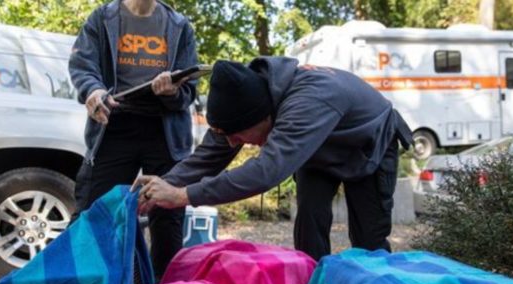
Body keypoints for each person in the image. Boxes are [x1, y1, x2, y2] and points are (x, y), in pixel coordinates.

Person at [133, 57, 413, 261]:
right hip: (318, 150)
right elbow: (207, 157)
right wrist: (161, 187)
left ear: (264, 117)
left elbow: (265, 172)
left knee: (368, 244)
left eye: (238, 136)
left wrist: (183, 195)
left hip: (368, 145)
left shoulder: (308, 101)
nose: (233, 144)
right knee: (309, 229)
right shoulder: (246, 99)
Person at [68, 0, 198, 278]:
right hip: (113, 127)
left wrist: (172, 92)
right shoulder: (102, 18)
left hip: (165, 134)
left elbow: (189, 92)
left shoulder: (179, 25)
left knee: (167, 221)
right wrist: (92, 91)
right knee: (93, 213)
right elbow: (83, 66)